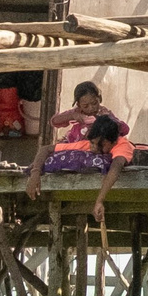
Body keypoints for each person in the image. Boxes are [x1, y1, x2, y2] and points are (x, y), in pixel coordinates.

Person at [27, 80, 133, 215]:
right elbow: (53, 124)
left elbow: (115, 168)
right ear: (78, 105)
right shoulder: (86, 143)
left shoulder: (118, 140)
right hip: (73, 142)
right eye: (86, 106)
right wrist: (35, 174)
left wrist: (99, 201)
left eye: (94, 103)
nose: (91, 108)